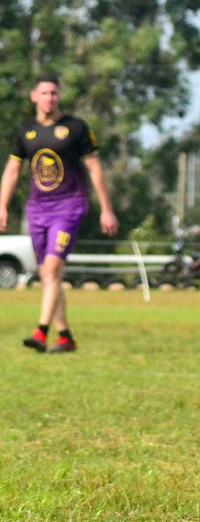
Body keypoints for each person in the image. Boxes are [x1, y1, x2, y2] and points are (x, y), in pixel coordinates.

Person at [0, 75, 118, 353]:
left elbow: (95, 169)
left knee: (52, 270)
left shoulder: (76, 128)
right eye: (44, 93)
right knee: (48, 275)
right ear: (34, 96)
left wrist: (107, 210)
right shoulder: (25, 131)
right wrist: (2, 205)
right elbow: (13, 171)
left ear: (59, 96)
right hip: (38, 210)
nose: (49, 98)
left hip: (69, 207)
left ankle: (40, 332)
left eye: (54, 93)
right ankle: (65, 337)